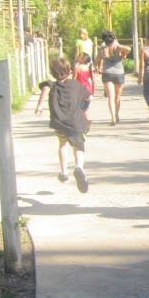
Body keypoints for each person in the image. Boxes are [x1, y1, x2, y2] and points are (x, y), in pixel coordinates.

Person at [34, 57, 90, 194]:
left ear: (53, 73)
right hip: (76, 123)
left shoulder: (51, 85)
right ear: (70, 71)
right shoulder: (76, 85)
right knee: (78, 146)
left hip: (59, 123)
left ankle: (64, 173)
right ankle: (79, 167)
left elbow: (45, 89)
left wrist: (40, 106)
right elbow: (89, 97)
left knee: (63, 144)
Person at [94, 30, 131, 125]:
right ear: (113, 39)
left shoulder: (102, 49)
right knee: (117, 97)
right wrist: (123, 53)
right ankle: (117, 115)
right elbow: (128, 48)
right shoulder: (117, 47)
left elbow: (95, 62)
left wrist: (97, 69)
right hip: (119, 73)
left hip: (107, 73)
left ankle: (113, 118)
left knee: (110, 96)